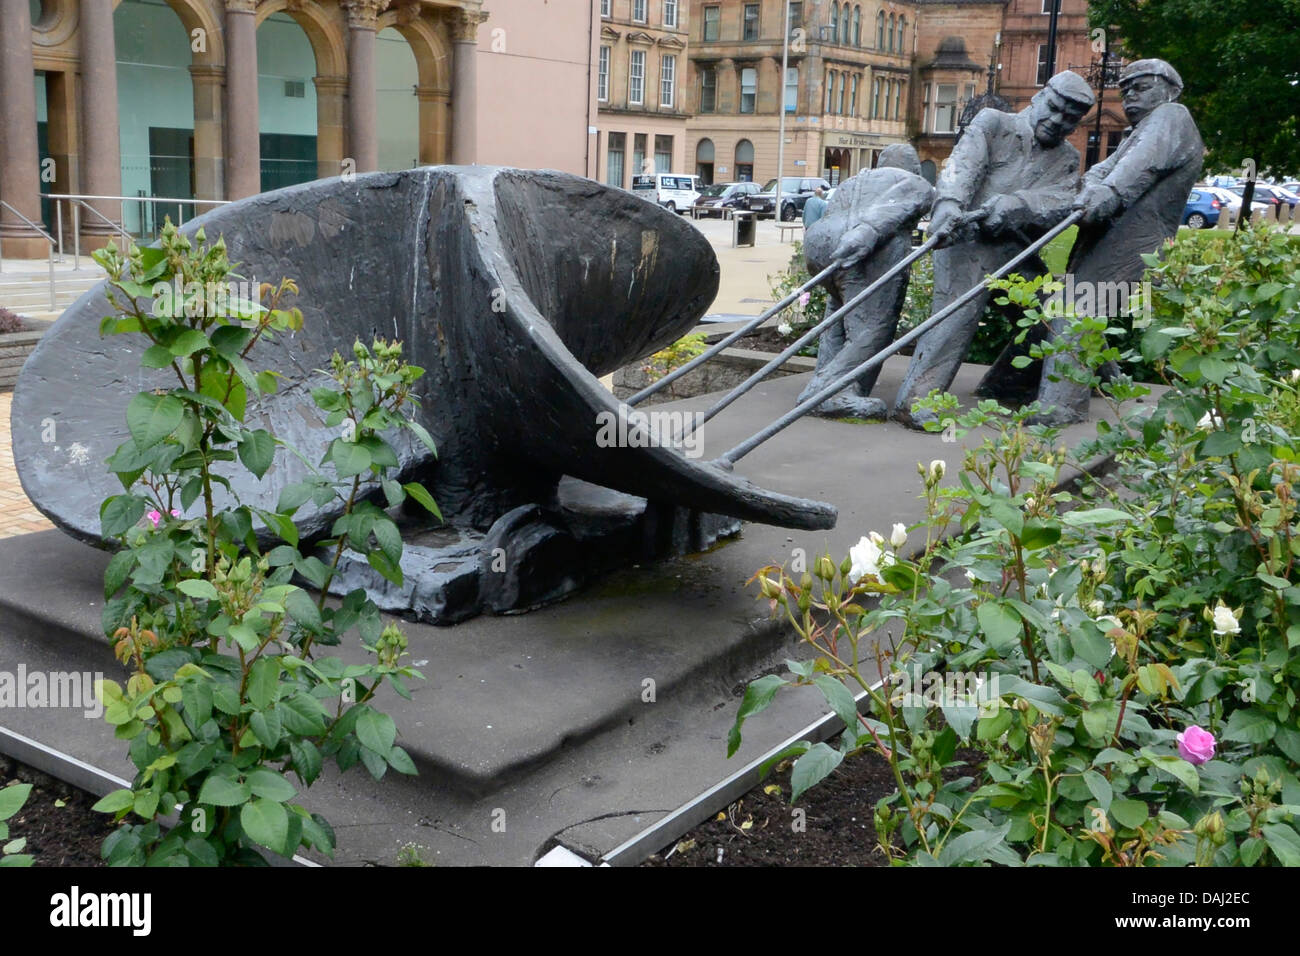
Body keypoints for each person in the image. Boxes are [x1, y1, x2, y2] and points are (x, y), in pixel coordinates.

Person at [892, 71, 1095, 429]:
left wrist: (1018, 205)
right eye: (1055, 108)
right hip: (966, 241)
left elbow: (1061, 201)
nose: (1058, 121)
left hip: (1015, 251)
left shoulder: (1066, 157)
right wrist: (949, 206)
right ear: (1038, 97)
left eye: (1070, 118)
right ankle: (916, 402)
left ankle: (1009, 385)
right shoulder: (994, 124)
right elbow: (962, 167)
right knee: (957, 315)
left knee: (1052, 314)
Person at [1031, 59, 1204, 425]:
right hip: (1112, 236)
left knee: (1073, 308)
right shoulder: (1135, 133)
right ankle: (1112, 382)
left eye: (1140, 89)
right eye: (1125, 92)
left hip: (1139, 240)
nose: (1129, 99)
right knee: (1064, 308)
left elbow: (1137, 169)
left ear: (1170, 89)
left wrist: (1105, 193)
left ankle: (1061, 405)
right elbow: (1098, 173)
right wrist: (1093, 189)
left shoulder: (1171, 118)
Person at [796, 145, 935, 418]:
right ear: (914, 168)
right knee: (874, 327)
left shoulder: (855, 180)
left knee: (836, 313)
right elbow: (912, 199)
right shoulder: (912, 182)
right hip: (862, 246)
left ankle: (830, 378)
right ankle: (824, 393)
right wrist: (867, 232)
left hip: (819, 244)